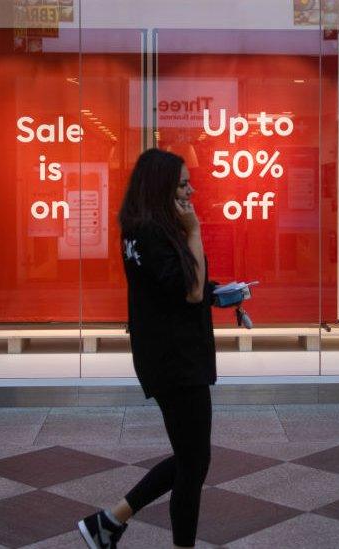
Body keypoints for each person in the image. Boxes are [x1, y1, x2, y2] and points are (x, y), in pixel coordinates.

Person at [77, 148, 217, 549]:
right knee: (193, 463)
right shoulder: (157, 233)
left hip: (167, 355)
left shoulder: (142, 229)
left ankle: (109, 522)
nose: (191, 190)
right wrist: (194, 232)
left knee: (191, 459)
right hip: (176, 359)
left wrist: (217, 290)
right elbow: (189, 292)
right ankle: (111, 522)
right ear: (161, 188)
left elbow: (181, 286)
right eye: (182, 184)